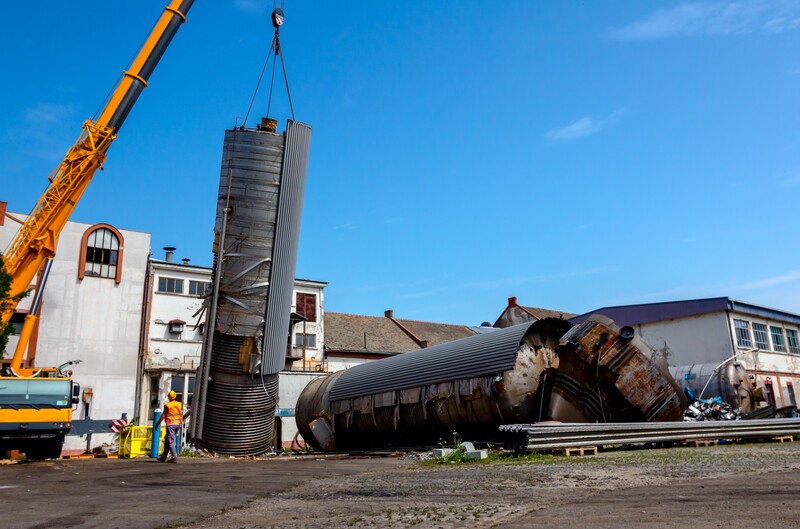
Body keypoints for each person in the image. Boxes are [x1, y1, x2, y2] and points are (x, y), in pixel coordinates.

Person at [156, 390, 182, 463]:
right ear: (175, 396)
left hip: (171, 425)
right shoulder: (179, 404)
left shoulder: (167, 405)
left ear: (168, 397)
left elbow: (163, 415)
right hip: (178, 424)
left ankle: (174, 457)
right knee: (168, 439)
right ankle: (163, 457)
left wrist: (158, 423)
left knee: (170, 441)